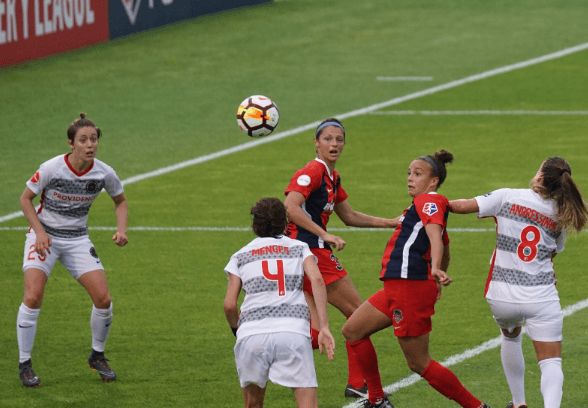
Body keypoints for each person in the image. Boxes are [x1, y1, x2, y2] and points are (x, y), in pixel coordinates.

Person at [342, 150, 492, 408]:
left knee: (418, 362)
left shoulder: (428, 201)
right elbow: (445, 244)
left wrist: (434, 268)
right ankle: (377, 400)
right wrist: (437, 274)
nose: (410, 178)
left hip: (408, 286)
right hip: (399, 285)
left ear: (433, 180)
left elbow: (436, 236)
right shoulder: (421, 206)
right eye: (409, 173)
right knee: (353, 331)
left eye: (418, 174)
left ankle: (477, 407)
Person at [449, 157, 587, 408]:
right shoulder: (560, 215)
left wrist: (432, 201)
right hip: (541, 297)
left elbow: (460, 207)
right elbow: (553, 252)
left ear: (540, 176)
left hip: (502, 296)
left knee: (511, 337)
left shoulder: (507, 196)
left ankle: (519, 403)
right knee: (551, 362)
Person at [283, 118, 398, 398]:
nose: (334, 144)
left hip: (302, 252)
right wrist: (325, 235)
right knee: (360, 316)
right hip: (311, 252)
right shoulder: (312, 171)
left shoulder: (332, 177)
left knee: (312, 329)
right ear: (316, 142)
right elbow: (290, 206)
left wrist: (391, 222)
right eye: (328, 139)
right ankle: (360, 385)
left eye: (339, 139)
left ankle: (270, 352)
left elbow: (349, 216)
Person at [17, 113, 128, 387]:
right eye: (83, 140)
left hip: (77, 239)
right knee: (33, 297)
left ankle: (97, 356)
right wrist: (40, 232)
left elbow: (121, 201)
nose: (90, 145)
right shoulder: (52, 168)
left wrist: (121, 229)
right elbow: (25, 199)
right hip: (43, 238)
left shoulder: (104, 172)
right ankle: (24, 363)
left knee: (103, 300)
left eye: (94, 139)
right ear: (71, 144)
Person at [223, 197, 335, 408]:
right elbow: (318, 280)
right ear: (285, 223)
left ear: (254, 225)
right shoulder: (299, 247)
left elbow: (229, 305)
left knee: (253, 404)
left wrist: (236, 330)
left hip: (251, 335)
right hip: (292, 332)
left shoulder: (239, 256)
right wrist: (324, 327)